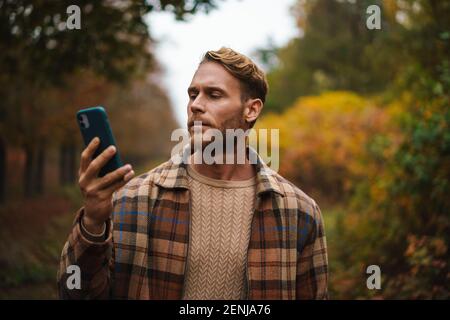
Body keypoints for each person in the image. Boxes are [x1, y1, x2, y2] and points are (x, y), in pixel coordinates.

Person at [57, 47, 328, 300]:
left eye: (214, 94)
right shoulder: (132, 200)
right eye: (192, 94)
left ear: (251, 109)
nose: (196, 105)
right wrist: (93, 222)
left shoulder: (299, 212)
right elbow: (76, 293)